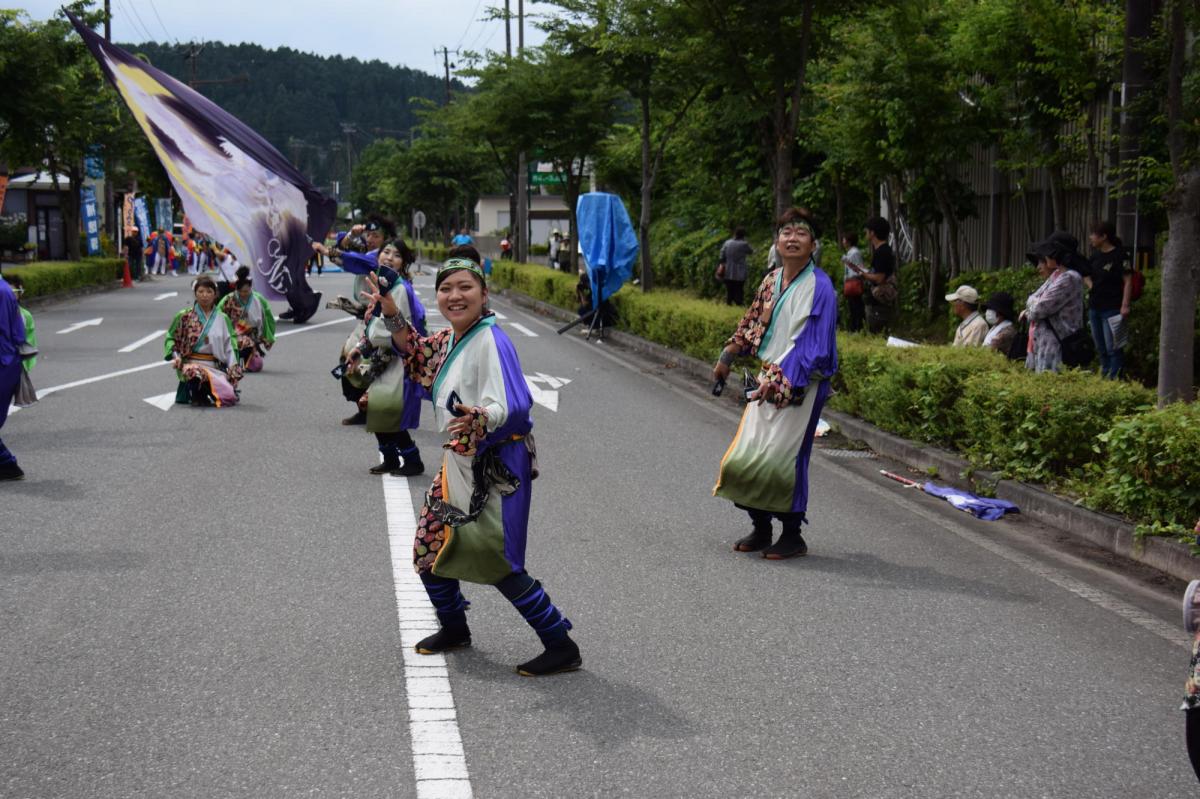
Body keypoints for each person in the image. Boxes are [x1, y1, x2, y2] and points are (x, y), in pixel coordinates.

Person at [362, 246, 582, 677]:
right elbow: (417, 352)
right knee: (429, 547)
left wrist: (479, 418)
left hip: (496, 466)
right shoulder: (451, 339)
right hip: (459, 463)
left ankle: (560, 643)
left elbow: (514, 406)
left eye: (465, 287)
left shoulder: (492, 340)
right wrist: (391, 311)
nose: (454, 296)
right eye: (446, 288)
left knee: (497, 560)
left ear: (484, 293)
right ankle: (455, 628)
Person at [712, 207, 838, 560]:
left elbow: (815, 347)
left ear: (814, 243)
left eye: (801, 232)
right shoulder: (771, 280)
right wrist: (728, 356)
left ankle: (792, 534)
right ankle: (761, 527)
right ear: (776, 241)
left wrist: (782, 380)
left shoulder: (821, 288)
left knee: (783, 461)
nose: (792, 238)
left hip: (802, 385)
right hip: (767, 379)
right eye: (786, 232)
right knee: (745, 458)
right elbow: (752, 323)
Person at [345, 238, 427, 476]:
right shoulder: (383, 285)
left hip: (395, 357)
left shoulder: (399, 289)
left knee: (386, 410)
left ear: (403, 263)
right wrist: (361, 347)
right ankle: (390, 457)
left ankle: (412, 459)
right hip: (380, 354)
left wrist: (369, 347)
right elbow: (372, 324)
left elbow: (399, 327)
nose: (389, 257)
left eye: (396, 255)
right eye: (386, 252)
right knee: (375, 408)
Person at [164, 275, 243, 406]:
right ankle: (197, 394)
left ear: (215, 294)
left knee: (229, 398)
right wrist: (176, 357)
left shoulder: (223, 318)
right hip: (192, 365)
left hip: (214, 366)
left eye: (209, 292)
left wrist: (233, 369)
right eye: (200, 291)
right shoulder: (184, 316)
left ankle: (208, 391)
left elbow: (230, 345)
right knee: (193, 372)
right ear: (195, 294)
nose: (204, 295)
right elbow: (172, 338)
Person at [1019, 238, 1084, 373]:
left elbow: (1038, 309)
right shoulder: (1057, 275)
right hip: (1043, 343)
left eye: (1048, 253)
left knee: (1051, 382)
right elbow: (1031, 299)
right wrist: (1034, 304)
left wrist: (1029, 310)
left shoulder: (1070, 277)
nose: (1046, 257)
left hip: (1057, 342)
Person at [1085, 220, 1133, 379]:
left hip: (1112, 307)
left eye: (1094, 234)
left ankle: (1115, 378)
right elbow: (1085, 274)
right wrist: (1091, 285)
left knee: (1113, 347)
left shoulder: (1121, 255)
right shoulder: (1095, 256)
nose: (1091, 237)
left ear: (1104, 236)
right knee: (1100, 347)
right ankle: (1104, 374)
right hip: (1095, 307)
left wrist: (1125, 305)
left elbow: (1128, 281)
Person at [0, 273, 27, 480]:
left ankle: (7, 464)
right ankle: (7, 465)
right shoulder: (6, 291)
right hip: (9, 363)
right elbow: (19, 335)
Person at [217, 276, 276, 372]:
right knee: (244, 342)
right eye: (241, 291)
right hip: (231, 335)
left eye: (246, 291)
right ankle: (234, 364)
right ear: (236, 289)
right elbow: (218, 316)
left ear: (250, 288)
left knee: (257, 365)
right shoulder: (228, 299)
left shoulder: (259, 299)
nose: (244, 294)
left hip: (252, 336)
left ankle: (241, 362)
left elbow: (268, 317)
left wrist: (267, 336)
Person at [861, 217, 897, 334]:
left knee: (877, 333)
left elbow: (880, 278)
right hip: (879, 302)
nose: (866, 233)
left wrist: (864, 274)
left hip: (879, 303)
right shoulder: (883, 250)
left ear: (873, 233)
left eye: (867, 231)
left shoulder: (882, 252)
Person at [717, 227, 753, 305]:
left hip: (728, 270)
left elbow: (721, 255)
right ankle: (739, 303)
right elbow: (751, 251)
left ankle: (729, 302)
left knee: (729, 289)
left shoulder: (727, 243)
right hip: (740, 271)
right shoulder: (744, 244)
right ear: (743, 235)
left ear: (734, 234)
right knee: (739, 289)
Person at [6, 276, 35, 372]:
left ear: (20, 293)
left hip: (15, 364)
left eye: (12, 291)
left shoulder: (25, 315)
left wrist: (25, 366)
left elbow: (29, 340)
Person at [840, 232, 866, 332]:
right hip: (851, 282)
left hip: (853, 282)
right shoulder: (850, 252)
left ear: (849, 241)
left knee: (856, 305)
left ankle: (857, 328)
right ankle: (855, 327)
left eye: (844, 239)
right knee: (853, 305)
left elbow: (858, 268)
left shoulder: (854, 253)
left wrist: (848, 276)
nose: (843, 242)